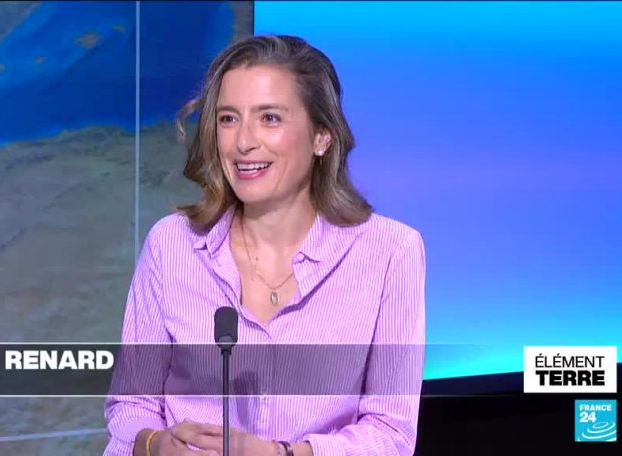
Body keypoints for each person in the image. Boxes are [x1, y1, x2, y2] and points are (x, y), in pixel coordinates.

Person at [103, 34, 426, 456]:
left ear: (322, 136)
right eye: (228, 119)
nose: (243, 142)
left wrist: (282, 454)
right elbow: (131, 406)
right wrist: (155, 444)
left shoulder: (391, 252)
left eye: (270, 118)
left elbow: (391, 434)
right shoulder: (171, 246)